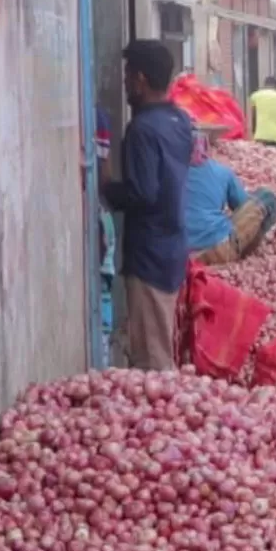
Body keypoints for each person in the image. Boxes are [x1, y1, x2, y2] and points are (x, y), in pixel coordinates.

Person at [101, 40, 194, 371]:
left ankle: (170, 418)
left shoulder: (141, 129)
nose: (124, 83)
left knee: (153, 360)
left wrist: (106, 185)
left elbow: (142, 193)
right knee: (159, 337)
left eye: (127, 76)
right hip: (173, 247)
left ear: (140, 78)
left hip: (149, 254)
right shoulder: (181, 123)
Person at [183, 132, 276, 265]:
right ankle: (245, 254)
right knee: (267, 198)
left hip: (174, 253)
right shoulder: (221, 171)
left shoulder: (166, 172)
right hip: (216, 249)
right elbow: (243, 206)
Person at [248, 75, 276, 147]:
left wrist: (252, 132)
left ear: (264, 84)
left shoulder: (255, 96)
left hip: (261, 136)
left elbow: (252, 116)